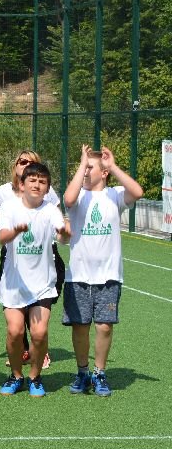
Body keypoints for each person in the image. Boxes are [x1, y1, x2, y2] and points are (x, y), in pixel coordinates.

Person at [63, 146, 143, 397]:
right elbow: (68, 199)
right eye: (84, 167)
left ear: (104, 172)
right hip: (78, 275)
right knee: (80, 326)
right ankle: (82, 372)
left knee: (105, 326)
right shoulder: (78, 195)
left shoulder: (114, 195)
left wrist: (113, 166)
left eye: (91, 167)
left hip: (109, 275)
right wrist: (82, 164)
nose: (86, 171)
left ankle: (99, 372)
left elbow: (137, 192)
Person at [0, 162, 70, 398]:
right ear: (22, 184)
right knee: (15, 332)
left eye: (42, 182)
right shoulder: (9, 207)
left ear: (47, 188)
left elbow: (62, 235)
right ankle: (16, 375)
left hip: (42, 284)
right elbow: (1, 237)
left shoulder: (50, 210)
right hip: (14, 283)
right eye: (32, 180)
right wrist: (16, 231)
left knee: (39, 333)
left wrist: (65, 232)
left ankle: (35, 377)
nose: (37, 185)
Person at [0, 149, 62, 370]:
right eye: (22, 161)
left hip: (42, 259)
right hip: (14, 258)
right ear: (16, 167)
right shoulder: (4, 194)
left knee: (38, 324)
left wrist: (64, 233)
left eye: (31, 162)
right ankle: (22, 353)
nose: (26, 165)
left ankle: (39, 355)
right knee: (15, 325)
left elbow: (59, 224)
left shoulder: (46, 193)